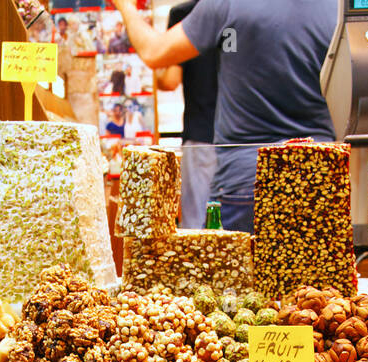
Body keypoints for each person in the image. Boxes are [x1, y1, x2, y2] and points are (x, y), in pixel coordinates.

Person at [112, 0, 336, 232]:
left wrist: (126, 7)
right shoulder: (336, 7)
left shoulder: (227, 3)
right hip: (319, 172)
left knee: (232, 265)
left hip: (247, 176)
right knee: (312, 267)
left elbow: (154, 52)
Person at [155, 0, 219, 229]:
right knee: (235, 227)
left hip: (200, 134)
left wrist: (154, 70)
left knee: (195, 227)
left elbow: (170, 80)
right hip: (239, 137)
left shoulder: (184, 14)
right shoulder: (239, 12)